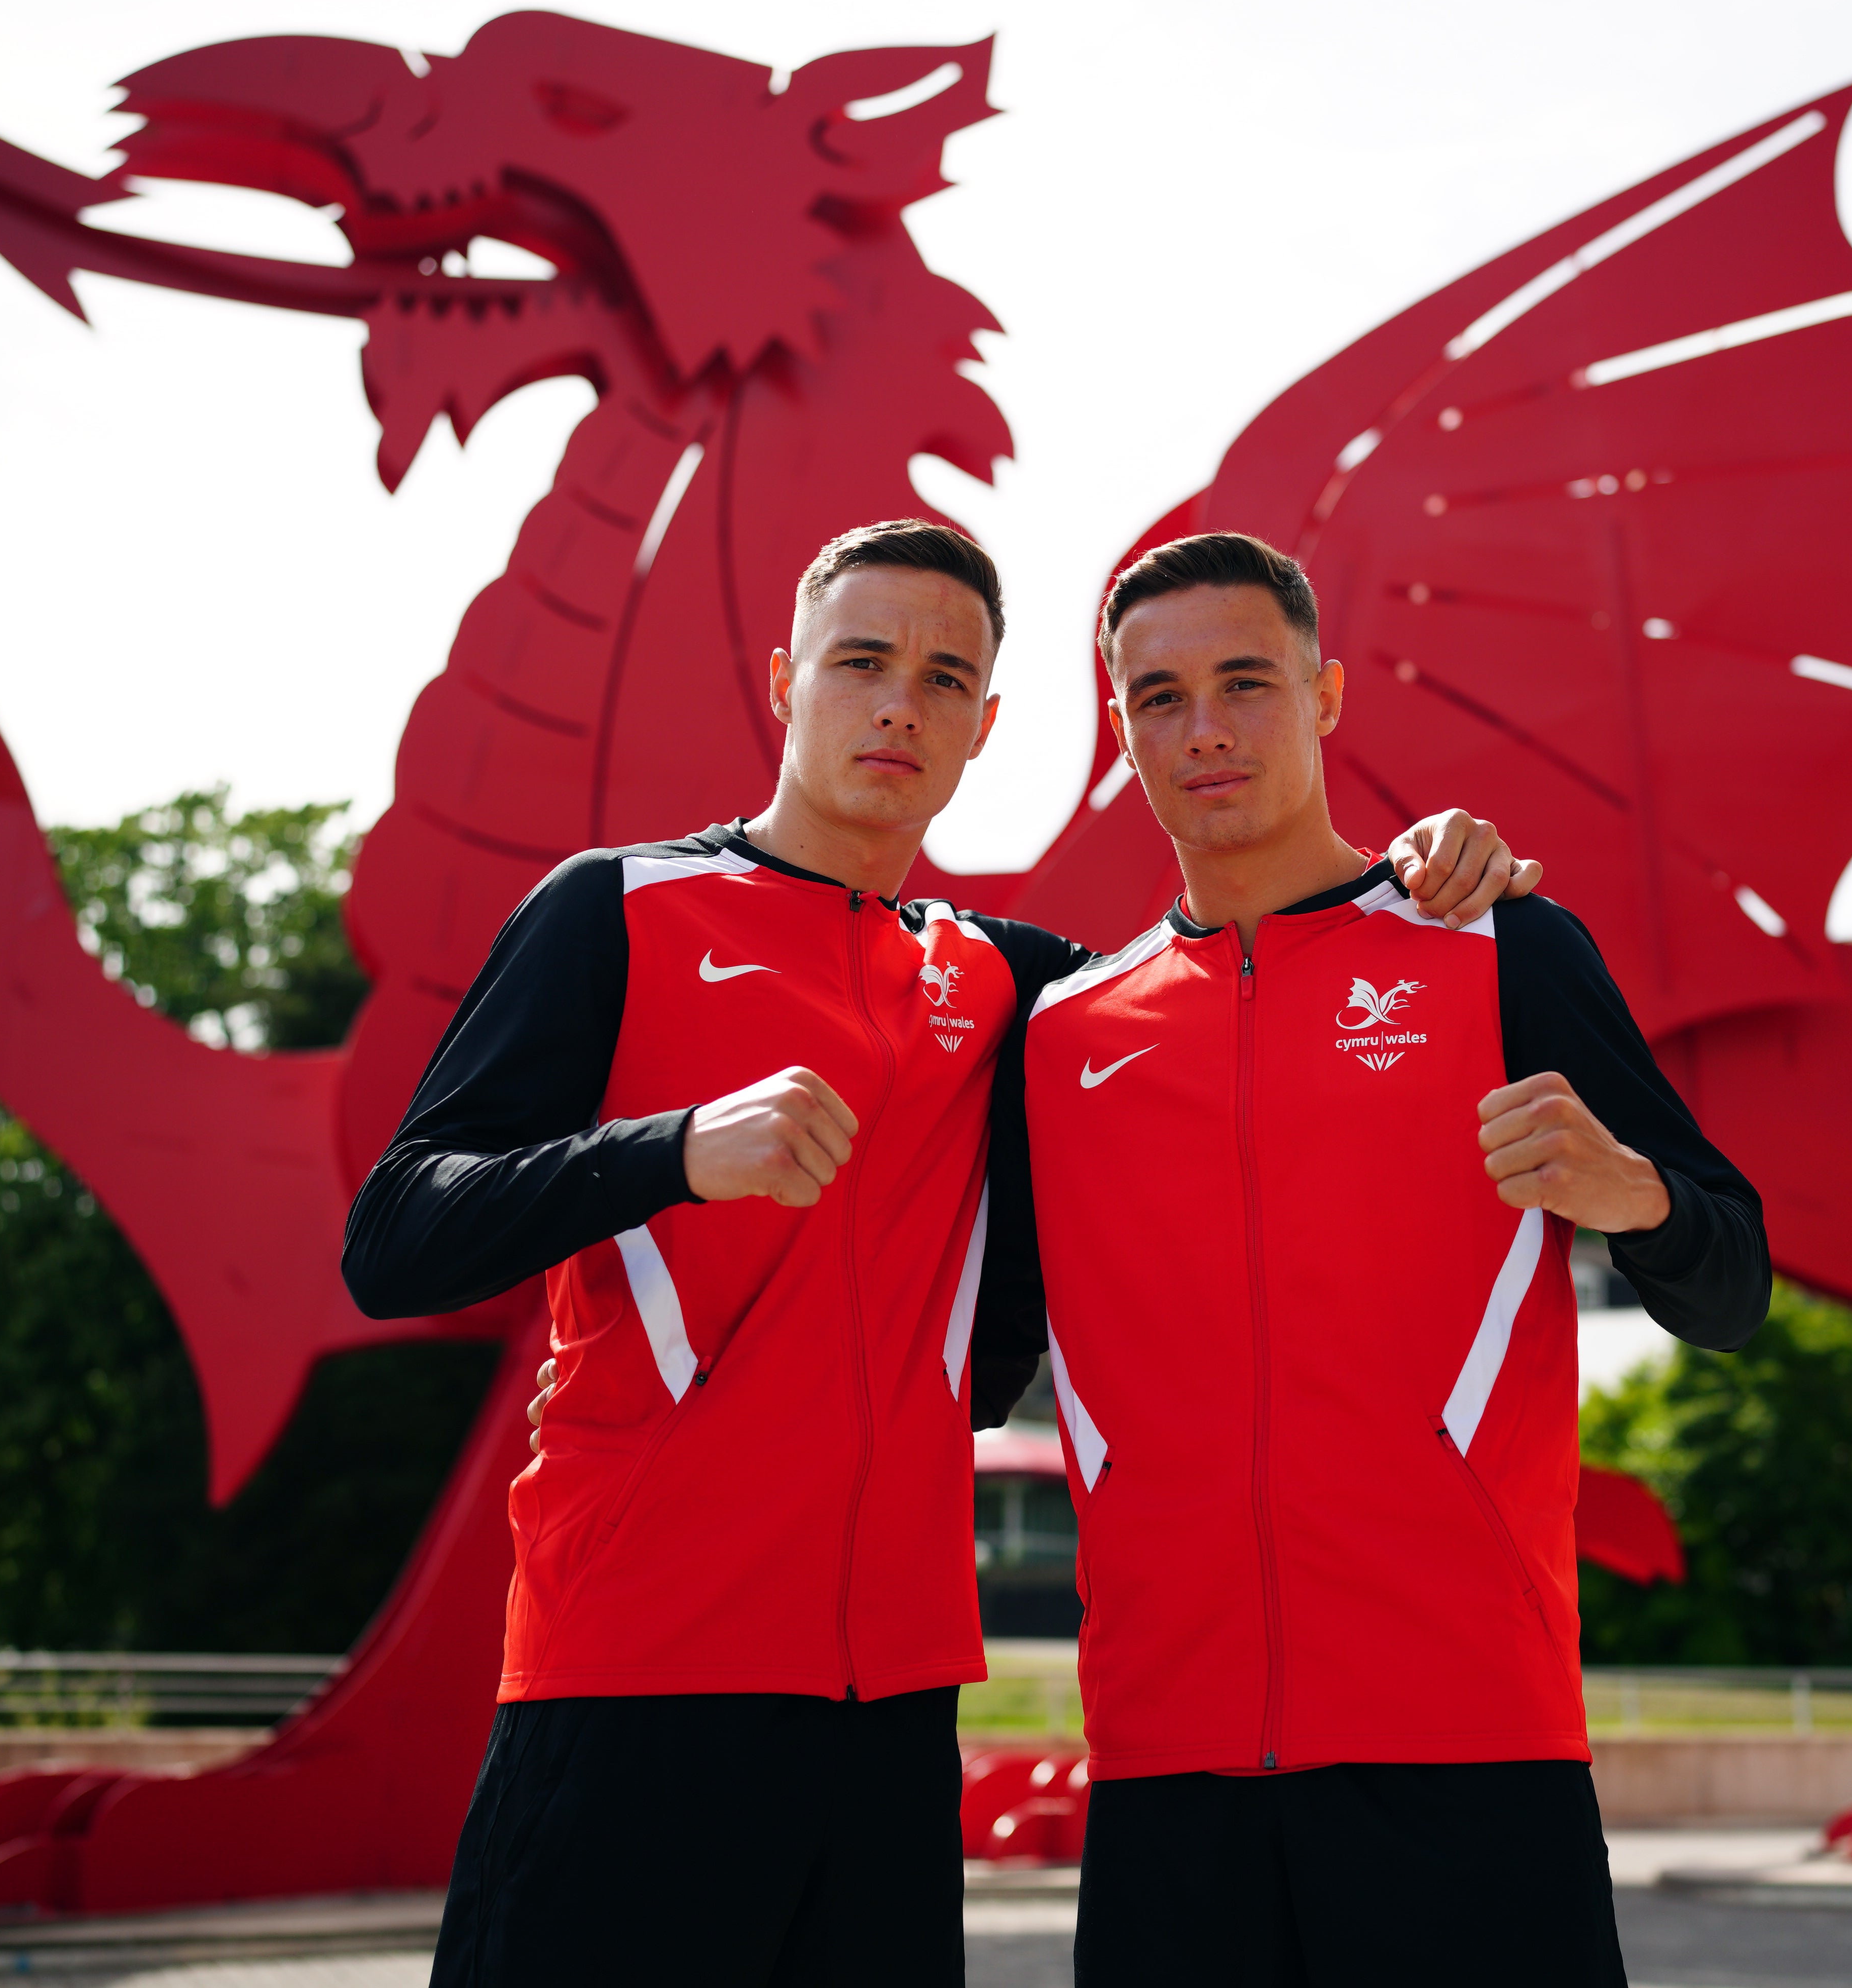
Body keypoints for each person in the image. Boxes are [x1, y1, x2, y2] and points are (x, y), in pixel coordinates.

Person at [341, 518, 1538, 1986]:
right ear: (786, 682)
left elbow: (1243, 969)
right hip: (631, 1671)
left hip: (892, 1709)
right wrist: (671, 1151)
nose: (899, 703)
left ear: (986, 725)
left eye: (943, 676)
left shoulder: (1017, 990)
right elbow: (397, 1236)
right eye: (862, 662)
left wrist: (1422, 867)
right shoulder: (615, 912)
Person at [1019, 533, 1770, 1985]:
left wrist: (1633, 1199)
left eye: (1248, 682)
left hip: (1468, 1742)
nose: (1208, 730)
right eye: (1160, 697)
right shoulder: (1062, 1035)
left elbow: (1732, 1277)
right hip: (1169, 1767)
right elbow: (964, 1345)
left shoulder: (1500, 952)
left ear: (1328, 694)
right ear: (1120, 731)